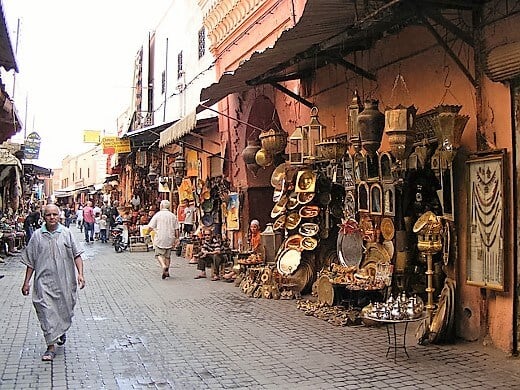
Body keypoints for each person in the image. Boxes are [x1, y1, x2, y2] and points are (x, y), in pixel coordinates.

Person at [20, 203, 85, 362]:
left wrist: (80, 274)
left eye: (55, 214)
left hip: (64, 282)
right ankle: (50, 347)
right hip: (43, 282)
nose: (52, 217)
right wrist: (26, 282)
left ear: (59, 216)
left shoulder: (66, 233)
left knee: (64, 310)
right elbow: (31, 261)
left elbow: (77, 255)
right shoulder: (36, 236)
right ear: (44, 217)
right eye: (48, 215)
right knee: (46, 311)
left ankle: (60, 331)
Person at [147, 200, 180, 279]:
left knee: (158, 254)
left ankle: (163, 266)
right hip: (170, 237)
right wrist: (177, 238)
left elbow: (151, 227)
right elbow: (177, 229)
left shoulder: (158, 215)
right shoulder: (173, 216)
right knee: (167, 256)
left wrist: (147, 233)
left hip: (160, 237)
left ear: (161, 206)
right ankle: (167, 272)